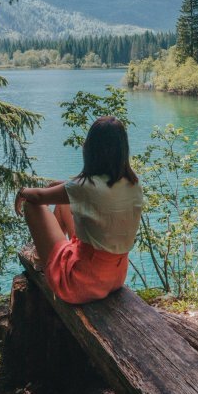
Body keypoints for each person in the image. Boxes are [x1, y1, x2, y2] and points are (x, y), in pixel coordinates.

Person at [15, 116, 143, 304]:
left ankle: (45, 262)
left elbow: (39, 196)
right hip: (115, 277)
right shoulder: (134, 183)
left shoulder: (84, 187)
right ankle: (45, 260)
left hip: (80, 283)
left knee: (31, 205)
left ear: (90, 149)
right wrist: (62, 187)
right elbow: (90, 193)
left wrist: (22, 192)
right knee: (65, 202)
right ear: (123, 150)